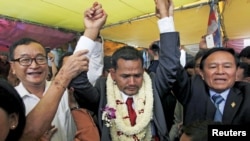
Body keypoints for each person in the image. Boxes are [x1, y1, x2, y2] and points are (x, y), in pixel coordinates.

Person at [71, 0, 180, 140]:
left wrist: (166, 18)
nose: (132, 82)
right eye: (125, 76)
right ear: (113, 74)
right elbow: (77, 79)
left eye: (137, 75)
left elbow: (171, 65)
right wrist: (91, 31)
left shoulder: (153, 86)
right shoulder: (103, 91)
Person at [9, 25, 91, 141]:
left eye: (40, 58)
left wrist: (91, 30)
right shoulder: (9, 101)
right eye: (25, 60)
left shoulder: (65, 92)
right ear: (13, 67)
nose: (34, 65)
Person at [170, 46, 250, 126]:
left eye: (227, 66)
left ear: (236, 71)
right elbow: (171, 66)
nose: (220, 72)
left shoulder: (247, 94)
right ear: (201, 73)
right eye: (213, 67)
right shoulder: (193, 89)